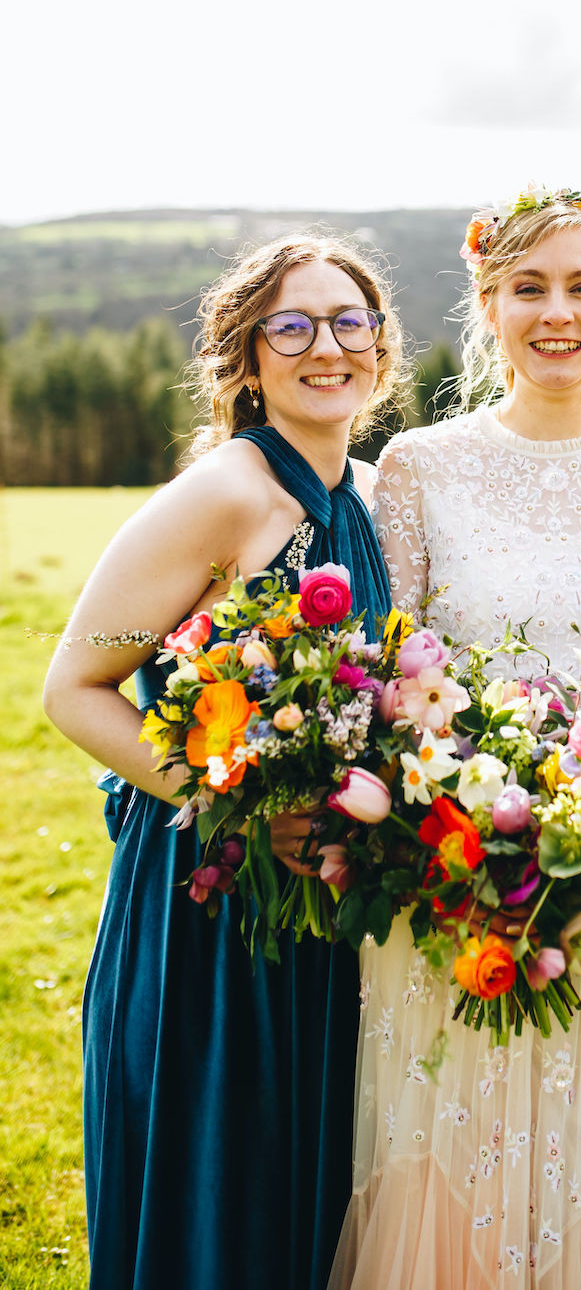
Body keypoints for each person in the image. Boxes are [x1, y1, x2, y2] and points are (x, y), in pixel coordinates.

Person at [329, 186, 581, 1290]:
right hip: (443, 880)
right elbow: (390, 678)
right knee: (443, 1146)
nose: (556, 311)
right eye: (527, 286)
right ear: (487, 303)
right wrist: (449, 818)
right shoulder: (417, 465)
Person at [42, 235, 403, 1290]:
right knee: (225, 1196)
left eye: (349, 321)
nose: (324, 345)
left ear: (380, 345)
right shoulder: (223, 494)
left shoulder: (378, 495)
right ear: (245, 356)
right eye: (290, 325)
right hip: (210, 910)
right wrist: (235, 804)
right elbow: (75, 685)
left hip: (335, 917)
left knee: (320, 1191)